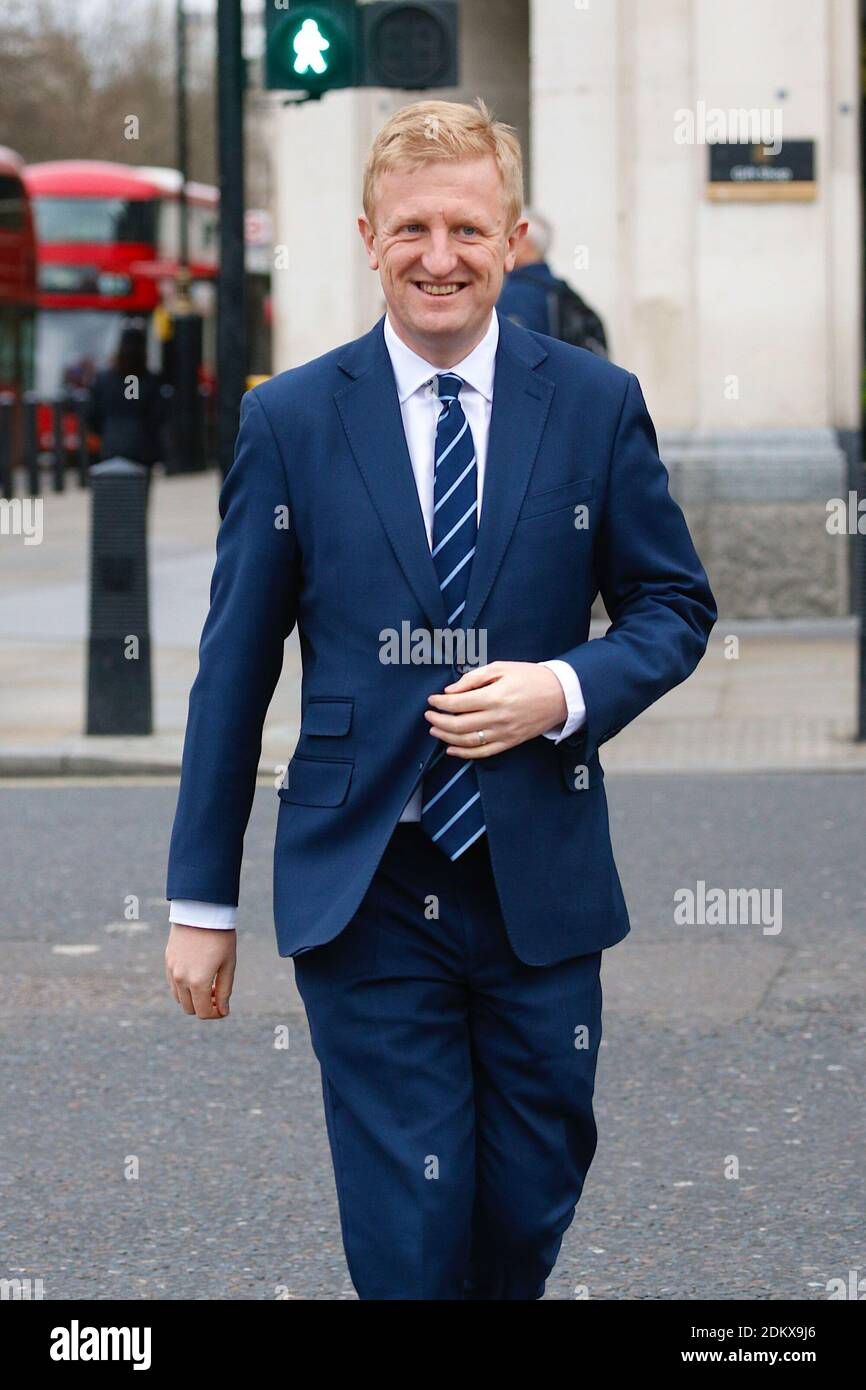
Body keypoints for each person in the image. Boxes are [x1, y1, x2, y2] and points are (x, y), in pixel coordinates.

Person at [165, 98, 716, 1301]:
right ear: (367, 238)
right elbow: (232, 669)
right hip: (367, 883)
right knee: (411, 1240)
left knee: (523, 1207)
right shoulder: (292, 419)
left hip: (538, 881)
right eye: (410, 228)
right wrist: (200, 898)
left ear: (512, 238)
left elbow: (673, 607)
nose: (438, 256)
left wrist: (562, 686)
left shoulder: (591, 402)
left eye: (466, 228)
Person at [497, 207, 608, 356]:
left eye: (508, 239)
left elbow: (513, 356)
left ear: (523, 244)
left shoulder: (519, 294)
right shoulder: (559, 289)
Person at [85, 325, 168, 486]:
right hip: (142, 449)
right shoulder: (150, 380)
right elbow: (158, 415)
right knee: (137, 500)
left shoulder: (103, 379)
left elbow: (92, 414)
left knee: (112, 496)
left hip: (111, 445)